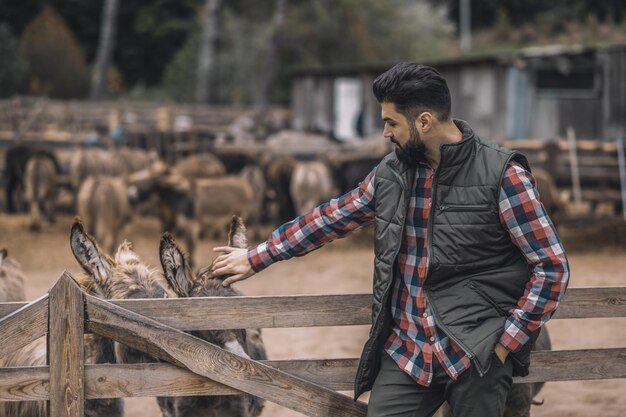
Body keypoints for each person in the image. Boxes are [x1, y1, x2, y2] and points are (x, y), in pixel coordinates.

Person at [211, 62, 569, 417]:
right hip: (408, 355)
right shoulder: (391, 173)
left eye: (391, 122)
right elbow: (333, 216)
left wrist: (507, 342)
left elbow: (551, 267)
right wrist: (259, 255)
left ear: (424, 122)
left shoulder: (503, 175)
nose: (385, 132)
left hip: (477, 355)